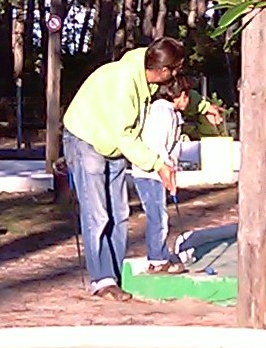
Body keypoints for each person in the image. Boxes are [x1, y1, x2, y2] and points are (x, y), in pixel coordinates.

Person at [61, 38, 187, 301]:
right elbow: (125, 136)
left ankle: (115, 276)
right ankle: (102, 280)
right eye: (174, 70)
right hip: (86, 137)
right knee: (97, 214)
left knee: (119, 213)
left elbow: (180, 96)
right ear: (162, 71)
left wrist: (204, 107)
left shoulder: (148, 74)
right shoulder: (124, 84)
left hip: (114, 142)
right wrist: (158, 164)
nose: (176, 75)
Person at [130, 78, 192, 275]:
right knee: (157, 216)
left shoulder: (169, 113)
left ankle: (159, 254)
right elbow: (157, 145)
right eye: (187, 96)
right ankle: (158, 259)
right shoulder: (162, 113)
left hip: (154, 170)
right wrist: (167, 173)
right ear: (181, 95)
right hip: (150, 171)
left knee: (158, 214)